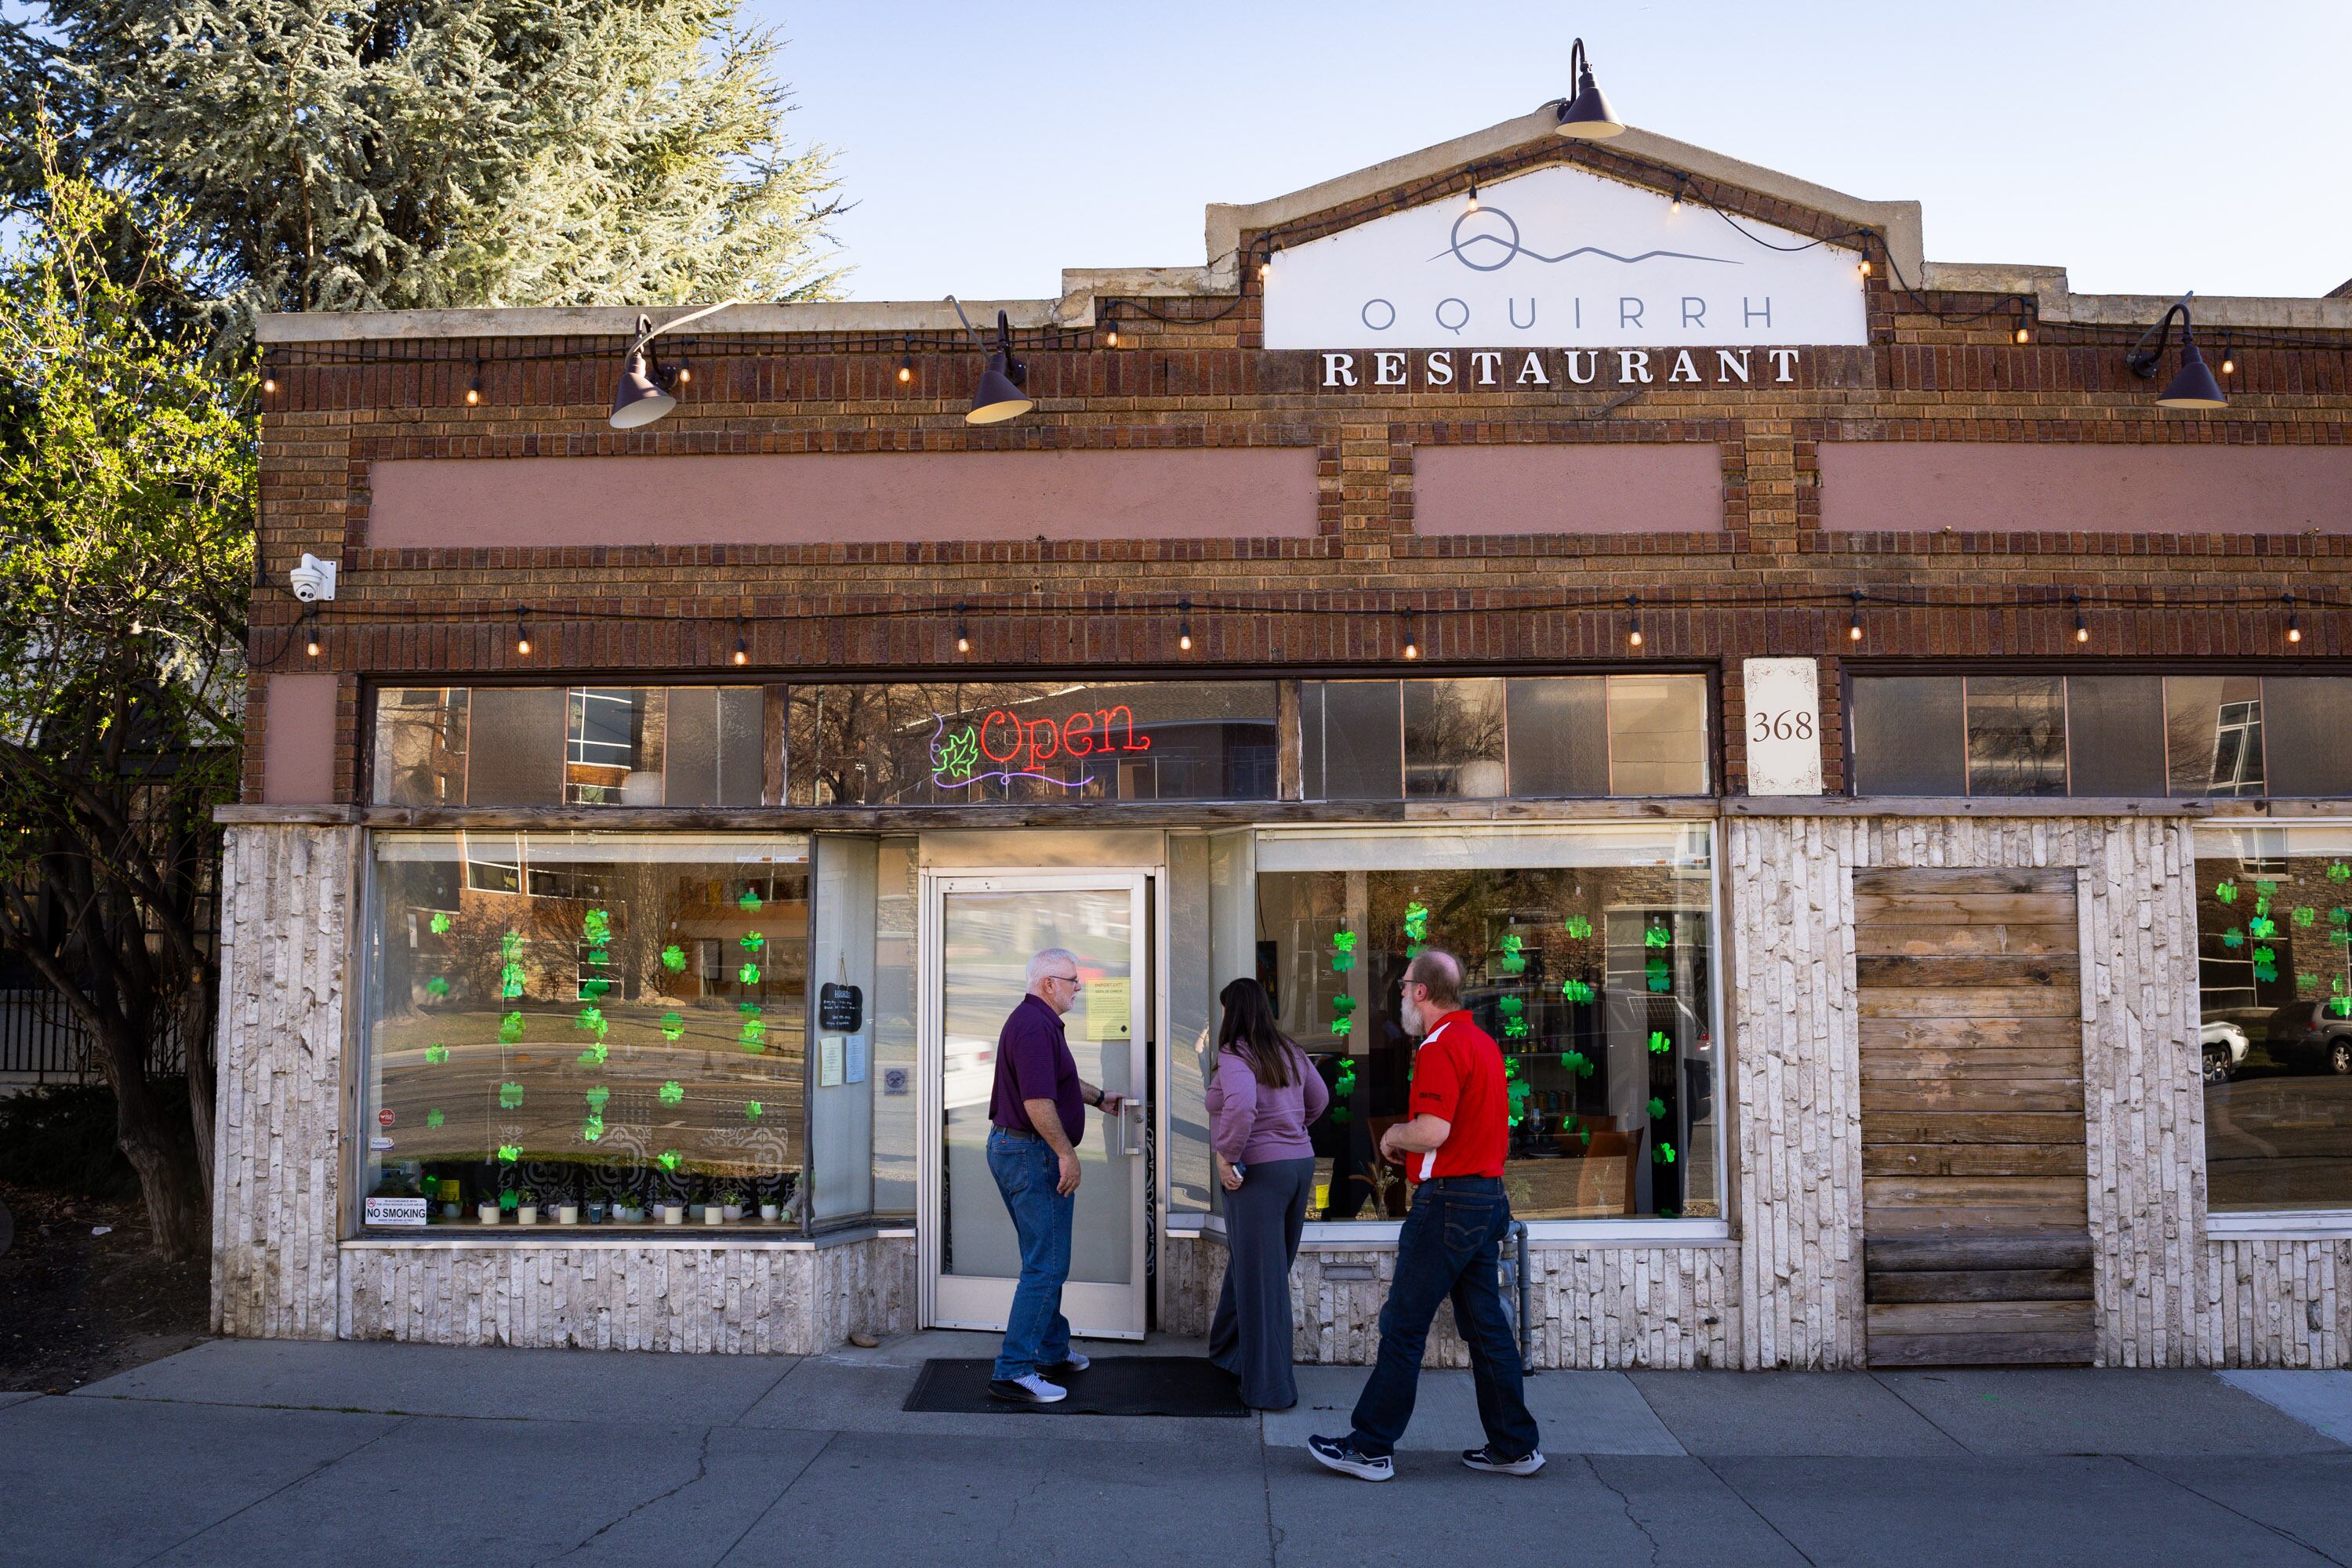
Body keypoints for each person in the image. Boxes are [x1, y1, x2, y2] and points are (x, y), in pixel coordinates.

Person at [1308, 948, 1543, 1482]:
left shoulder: (1439, 1046)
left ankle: (1370, 1447)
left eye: (1403, 987)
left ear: (1421, 991)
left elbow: (1433, 1130)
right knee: (1487, 1328)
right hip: (1486, 1200)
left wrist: (1393, 1134)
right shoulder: (1482, 1042)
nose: (1400, 997)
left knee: (1404, 1325)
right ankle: (1514, 1446)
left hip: (1448, 1204)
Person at [985, 946, 1124, 1405]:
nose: (1079, 987)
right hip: (1032, 1152)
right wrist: (1066, 1153)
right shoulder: (1033, 1027)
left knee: (1043, 1258)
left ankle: (1052, 1347)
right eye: (1072, 980)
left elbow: (1059, 1085)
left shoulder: (1039, 1024)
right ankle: (1014, 1370)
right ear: (1049, 983)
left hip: (1022, 1150)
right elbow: (1037, 1103)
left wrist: (1098, 1096)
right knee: (1046, 1264)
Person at [1204, 977, 1329, 1410]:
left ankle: (1269, 1389)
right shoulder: (1289, 1050)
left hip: (1256, 1171)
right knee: (1256, 1269)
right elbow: (1320, 1099)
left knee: (1263, 1281)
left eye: (1223, 1009)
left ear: (1232, 1012)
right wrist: (1290, 1131)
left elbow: (1239, 1106)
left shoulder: (1235, 1054)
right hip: (1298, 1167)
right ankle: (1227, 1352)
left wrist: (1227, 1154)